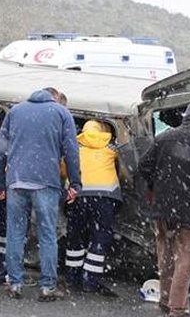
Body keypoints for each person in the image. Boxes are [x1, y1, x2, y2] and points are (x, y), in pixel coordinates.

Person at [0, 88, 81, 302]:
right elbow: (71, 150)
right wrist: (75, 182)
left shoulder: (15, 111)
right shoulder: (61, 113)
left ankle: (14, 282)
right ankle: (47, 286)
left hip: (16, 180)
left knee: (15, 233)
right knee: (48, 234)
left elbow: (0, 149)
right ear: (56, 98)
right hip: (46, 181)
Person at [138, 101, 190, 317]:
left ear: (186, 116)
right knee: (185, 260)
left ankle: (165, 301)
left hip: (163, 210)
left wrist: (159, 184)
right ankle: (178, 308)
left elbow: (143, 167)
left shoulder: (164, 137)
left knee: (165, 257)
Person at [65, 120, 122, 297]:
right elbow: (123, 169)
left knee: (75, 235)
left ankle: (72, 277)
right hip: (105, 196)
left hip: (78, 196)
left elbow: (62, 169)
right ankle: (91, 280)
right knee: (100, 238)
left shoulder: (74, 146)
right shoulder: (112, 147)